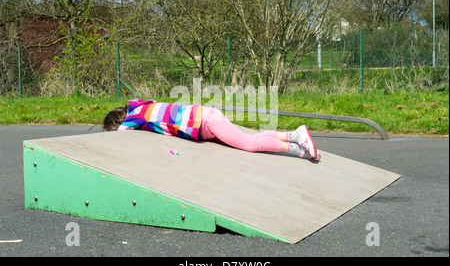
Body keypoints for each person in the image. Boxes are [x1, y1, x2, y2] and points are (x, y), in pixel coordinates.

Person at [103, 98, 321, 161]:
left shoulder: (135, 116)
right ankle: (295, 136)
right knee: (251, 138)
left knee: (249, 144)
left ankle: (300, 148)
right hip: (205, 119)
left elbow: (123, 134)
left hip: (206, 121)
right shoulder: (142, 106)